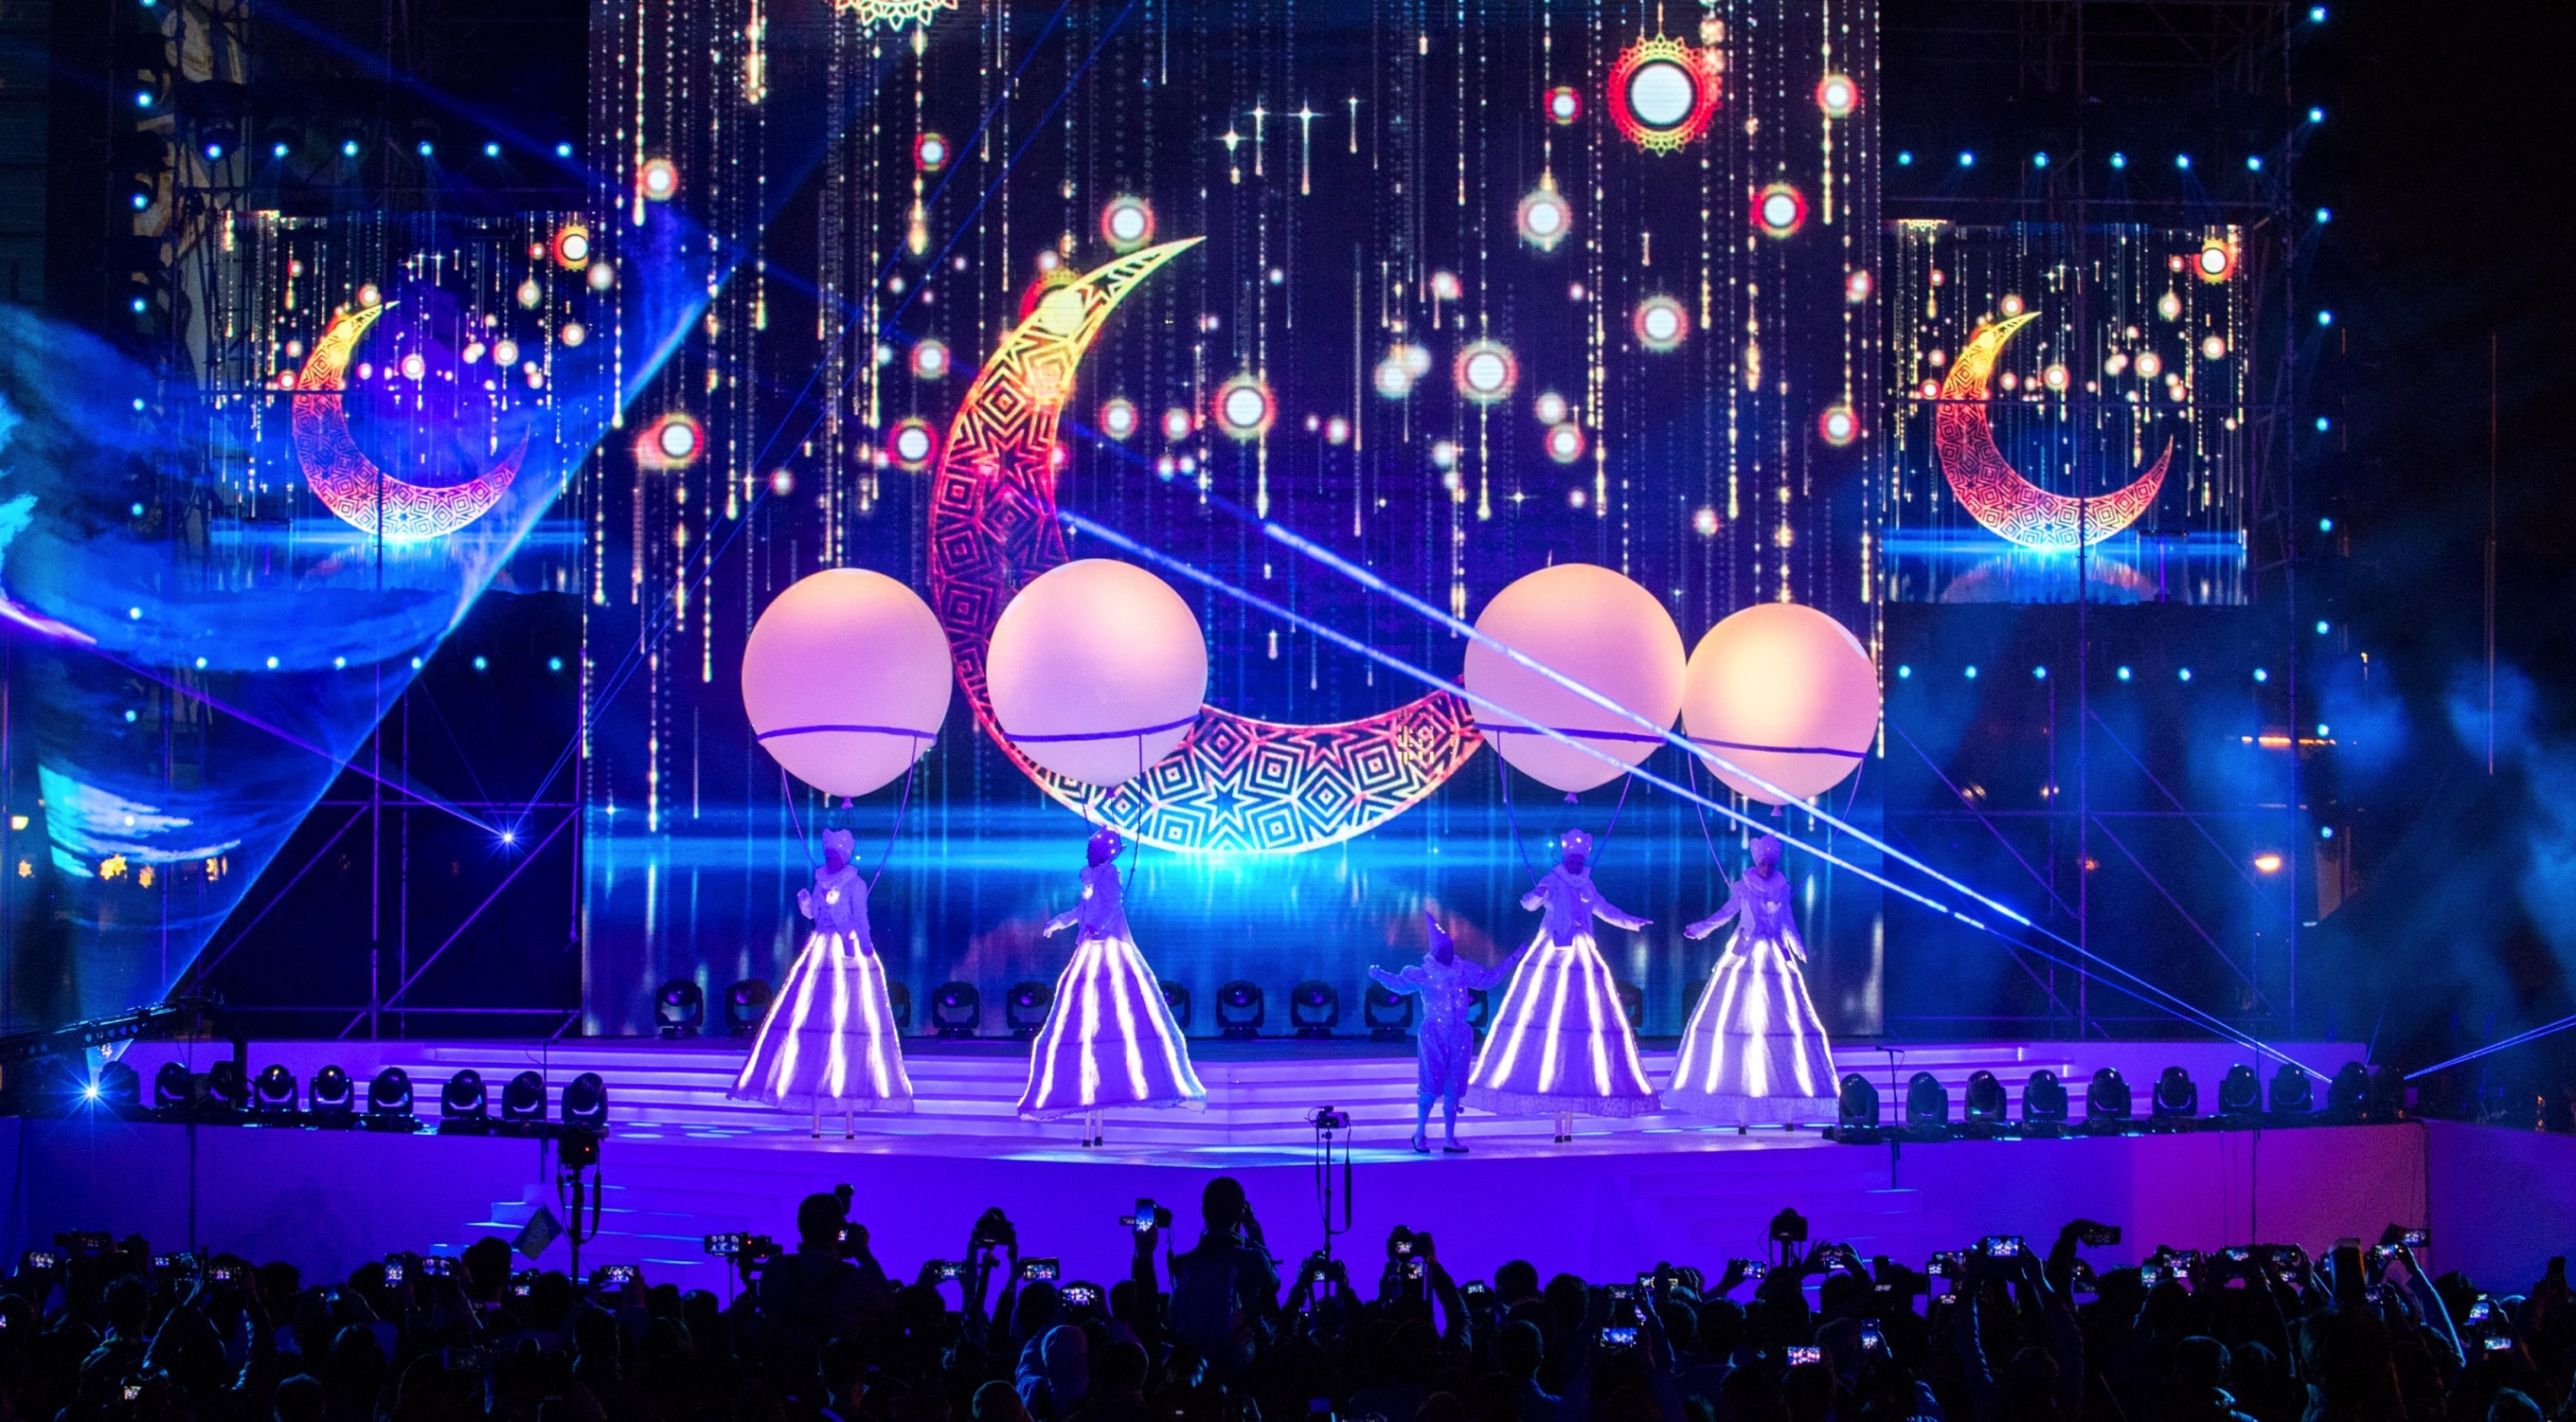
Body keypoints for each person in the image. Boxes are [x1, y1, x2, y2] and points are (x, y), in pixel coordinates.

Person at [1462, 828, 1660, 1140]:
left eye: (1580, 860)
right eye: (1572, 860)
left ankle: (1569, 1117)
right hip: (1552, 950)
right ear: (1565, 858)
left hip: (1583, 951)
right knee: (1546, 1012)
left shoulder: (1588, 884)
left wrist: (1632, 921)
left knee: (1582, 1015)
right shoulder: (1552, 880)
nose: (1576, 864)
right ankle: (1556, 1119)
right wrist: (1537, 894)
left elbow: (1604, 909)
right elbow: (1528, 903)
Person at [1016, 826, 1207, 1143]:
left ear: (1103, 853)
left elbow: (1111, 905)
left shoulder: (1110, 875)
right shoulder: (1090, 878)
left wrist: (1095, 926)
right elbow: (1082, 909)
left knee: (1117, 1008)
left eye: (1092, 849)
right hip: (1089, 946)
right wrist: (1060, 922)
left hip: (1109, 945)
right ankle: (1088, 1117)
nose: (1087, 852)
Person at [731, 828, 916, 1135]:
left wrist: (865, 946)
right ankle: (816, 1112)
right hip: (820, 947)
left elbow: (861, 918)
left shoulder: (855, 884)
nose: (830, 861)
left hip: (848, 949)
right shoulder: (820, 881)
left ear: (843, 857)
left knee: (851, 1016)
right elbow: (817, 914)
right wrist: (808, 904)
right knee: (814, 1014)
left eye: (835, 856)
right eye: (828, 856)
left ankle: (849, 1114)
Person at [1667, 834, 1836, 1125]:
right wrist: (1701, 928)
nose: (1767, 868)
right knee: (1737, 1017)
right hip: (1745, 953)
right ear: (1757, 863)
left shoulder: (1782, 890)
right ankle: (1740, 1102)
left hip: (1774, 956)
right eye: (1763, 863)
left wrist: (1799, 949)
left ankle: (1784, 1103)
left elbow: (1788, 923)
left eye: (1771, 864)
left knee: (1781, 1020)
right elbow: (1726, 913)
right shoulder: (1744, 887)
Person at [1368, 912, 1528, 1154]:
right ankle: (1420, 1134)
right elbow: (1400, 985)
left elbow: (1489, 979)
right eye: (1444, 950)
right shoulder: (1424, 973)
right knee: (1430, 1082)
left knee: (1454, 1084)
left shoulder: (1462, 971)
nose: (1449, 953)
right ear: (1435, 952)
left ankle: (1449, 1139)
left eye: (1451, 949)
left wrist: (1513, 958)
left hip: (1459, 1033)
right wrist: (1380, 975)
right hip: (1433, 1032)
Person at [1166, 1178, 1279, 1382]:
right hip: (1238, 1368)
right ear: (1240, 1212)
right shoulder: (1251, 1259)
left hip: (1193, 1366)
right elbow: (1274, 1284)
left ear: (1204, 1212)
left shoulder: (1182, 1263)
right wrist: (1254, 1230)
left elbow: (1174, 1318)